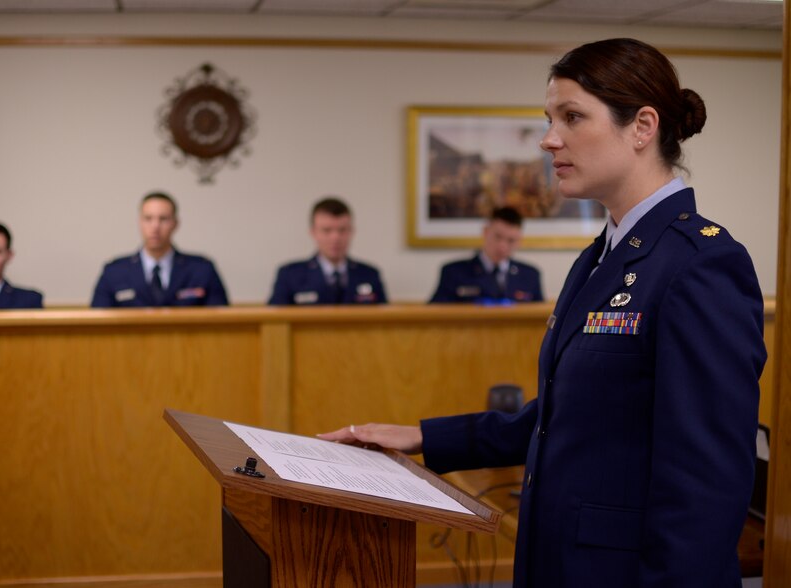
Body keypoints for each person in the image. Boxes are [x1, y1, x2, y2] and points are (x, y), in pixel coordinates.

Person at [320, 38, 766, 588]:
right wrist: (422, 438)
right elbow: (566, 417)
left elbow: (706, 486)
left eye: (572, 117)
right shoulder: (601, 256)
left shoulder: (701, 264)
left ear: (642, 127)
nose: (548, 139)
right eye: (550, 119)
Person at [91, 192, 228, 307]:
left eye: (163, 219)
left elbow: (222, 322)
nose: (155, 226)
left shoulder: (202, 270)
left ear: (175, 224)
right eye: (148, 218)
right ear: (139, 222)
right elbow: (96, 325)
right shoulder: (114, 272)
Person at [268, 197, 387, 305]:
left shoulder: (369, 274)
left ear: (351, 231)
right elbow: (274, 320)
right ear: (313, 232)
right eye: (327, 230)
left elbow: (385, 321)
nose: (335, 237)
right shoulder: (290, 275)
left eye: (342, 230)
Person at [429, 206, 543, 304]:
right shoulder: (454, 273)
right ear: (485, 232)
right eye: (498, 237)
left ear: (519, 241)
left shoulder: (530, 276)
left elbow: (539, 321)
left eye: (511, 240)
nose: (502, 246)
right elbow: (435, 316)